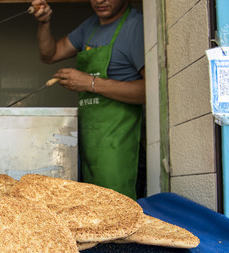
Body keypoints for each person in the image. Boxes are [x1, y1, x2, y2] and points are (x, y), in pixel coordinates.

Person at [31, 0, 146, 199]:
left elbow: (149, 91)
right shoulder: (90, 27)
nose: (99, 1)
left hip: (119, 145)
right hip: (90, 143)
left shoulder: (137, 27)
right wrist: (44, 23)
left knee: (119, 211)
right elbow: (49, 54)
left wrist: (90, 83)